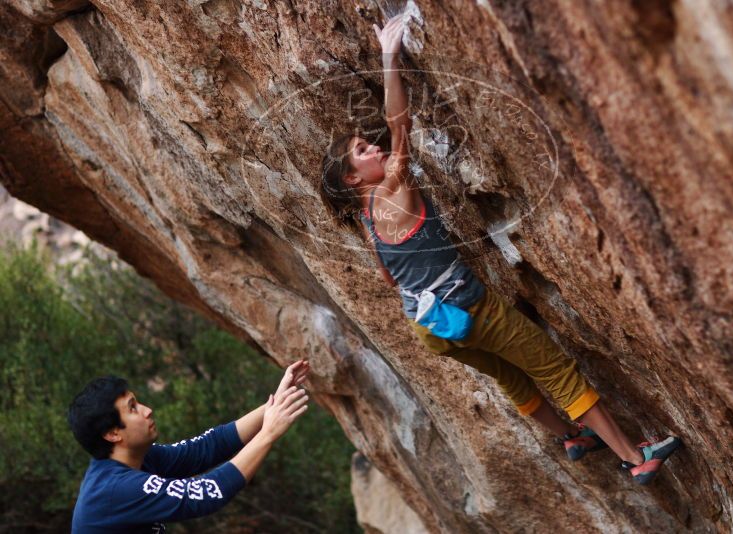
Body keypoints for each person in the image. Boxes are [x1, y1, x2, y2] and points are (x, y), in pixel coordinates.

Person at [318, 14, 680, 484]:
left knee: (511, 377)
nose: (377, 149)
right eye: (364, 151)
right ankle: (636, 457)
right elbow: (399, 123)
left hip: (431, 329)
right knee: (555, 370)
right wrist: (389, 55)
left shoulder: (367, 219)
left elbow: (390, 279)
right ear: (352, 178)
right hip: (468, 307)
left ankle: (571, 436)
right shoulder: (393, 189)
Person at [68, 360, 310, 532]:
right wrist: (268, 433)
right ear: (112, 433)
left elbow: (205, 448)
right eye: (132, 408)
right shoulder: (115, 490)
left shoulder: (137, 458)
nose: (147, 410)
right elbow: (207, 493)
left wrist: (275, 403)